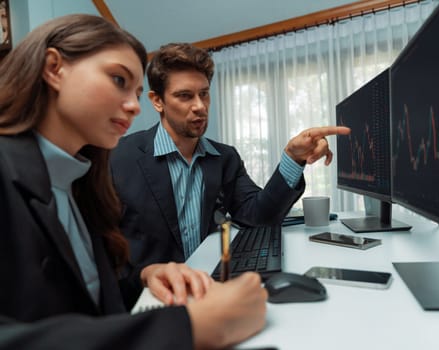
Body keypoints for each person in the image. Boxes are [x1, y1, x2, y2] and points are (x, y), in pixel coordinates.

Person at [0, 14, 267, 349]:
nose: (133, 106)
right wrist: (190, 327)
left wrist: (145, 274)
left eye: (136, 91)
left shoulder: (79, 179)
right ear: (54, 68)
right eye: (118, 80)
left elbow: (92, 301)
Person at [110, 42, 351, 305]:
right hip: (148, 299)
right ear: (157, 101)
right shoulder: (118, 158)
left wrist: (293, 158)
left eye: (204, 94)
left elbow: (258, 216)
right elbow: (101, 250)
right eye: (185, 96)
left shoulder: (224, 158)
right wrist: (143, 277)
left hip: (209, 291)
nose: (199, 106)